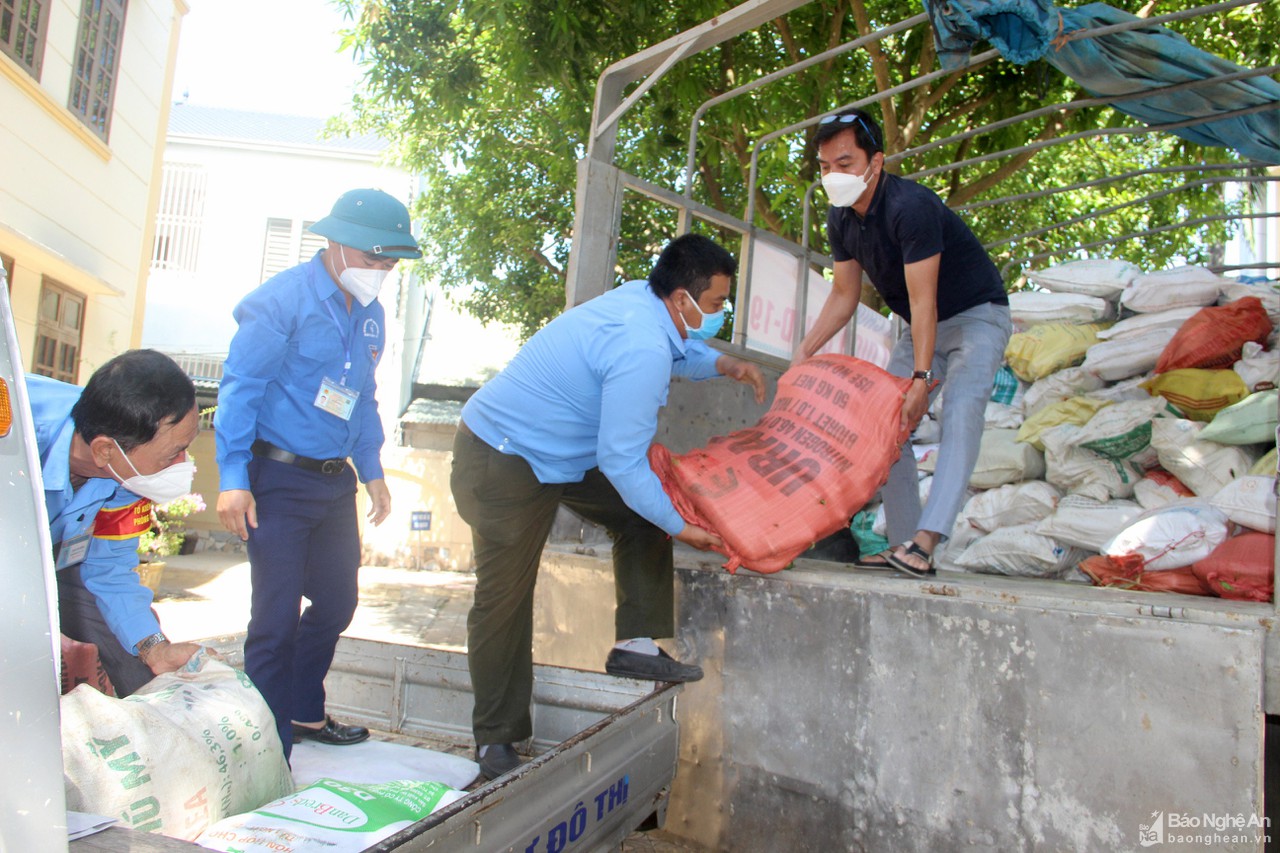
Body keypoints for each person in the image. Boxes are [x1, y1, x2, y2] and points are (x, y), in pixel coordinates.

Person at [452, 233, 766, 781]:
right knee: (505, 596)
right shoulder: (639, 344)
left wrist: (723, 364)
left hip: (565, 453)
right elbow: (623, 464)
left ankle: (635, 643)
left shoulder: (645, 304)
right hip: (503, 456)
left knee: (643, 514)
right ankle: (495, 741)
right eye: (716, 304)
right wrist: (681, 527)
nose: (720, 313)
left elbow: (682, 349)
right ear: (681, 299)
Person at [215, 187, 420, 758]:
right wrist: (233, 476)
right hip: (276, 481)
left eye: (389, 264)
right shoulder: (280, 302)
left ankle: (303, 710)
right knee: (274, 620)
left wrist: (372, 468)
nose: (380, 273)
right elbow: (240, 390)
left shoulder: (372, 315)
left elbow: (363, 398)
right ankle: (265, 750)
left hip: (334, 484)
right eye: (371, 259)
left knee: (338, 602)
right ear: (334, 243)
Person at [794, 108, 1011, 577]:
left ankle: (927, 541)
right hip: (921, 325)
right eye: (825, 166)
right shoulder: (840, 220)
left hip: (976, 316)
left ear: (877, 161)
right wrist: (803, 353)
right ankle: (902, 544)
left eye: (845, 163)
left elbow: (924, 298)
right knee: (884, 426)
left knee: (960, 413)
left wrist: (920, 378)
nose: (833, 176)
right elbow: (844, 294)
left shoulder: (910, 208)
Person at [29, 349, 204, 696]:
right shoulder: (17, 439)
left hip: (48, 559)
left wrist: (154, 648)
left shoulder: (125, 470)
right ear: (105, 451)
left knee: (140, 672)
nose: (182, 464)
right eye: (173, 454)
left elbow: (108, 569)